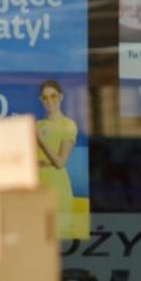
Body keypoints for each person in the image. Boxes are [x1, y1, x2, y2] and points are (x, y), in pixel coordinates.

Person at [36, 78, 84, 240]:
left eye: (53, 96)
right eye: (45, 97)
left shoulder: (68, 125)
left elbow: (60, 162)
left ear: (61, 97)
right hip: (37, 184)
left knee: (57, 237)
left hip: (56, 184)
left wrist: (41, 141)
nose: (49, 101)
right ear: (41, 100)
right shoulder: (37, 125)